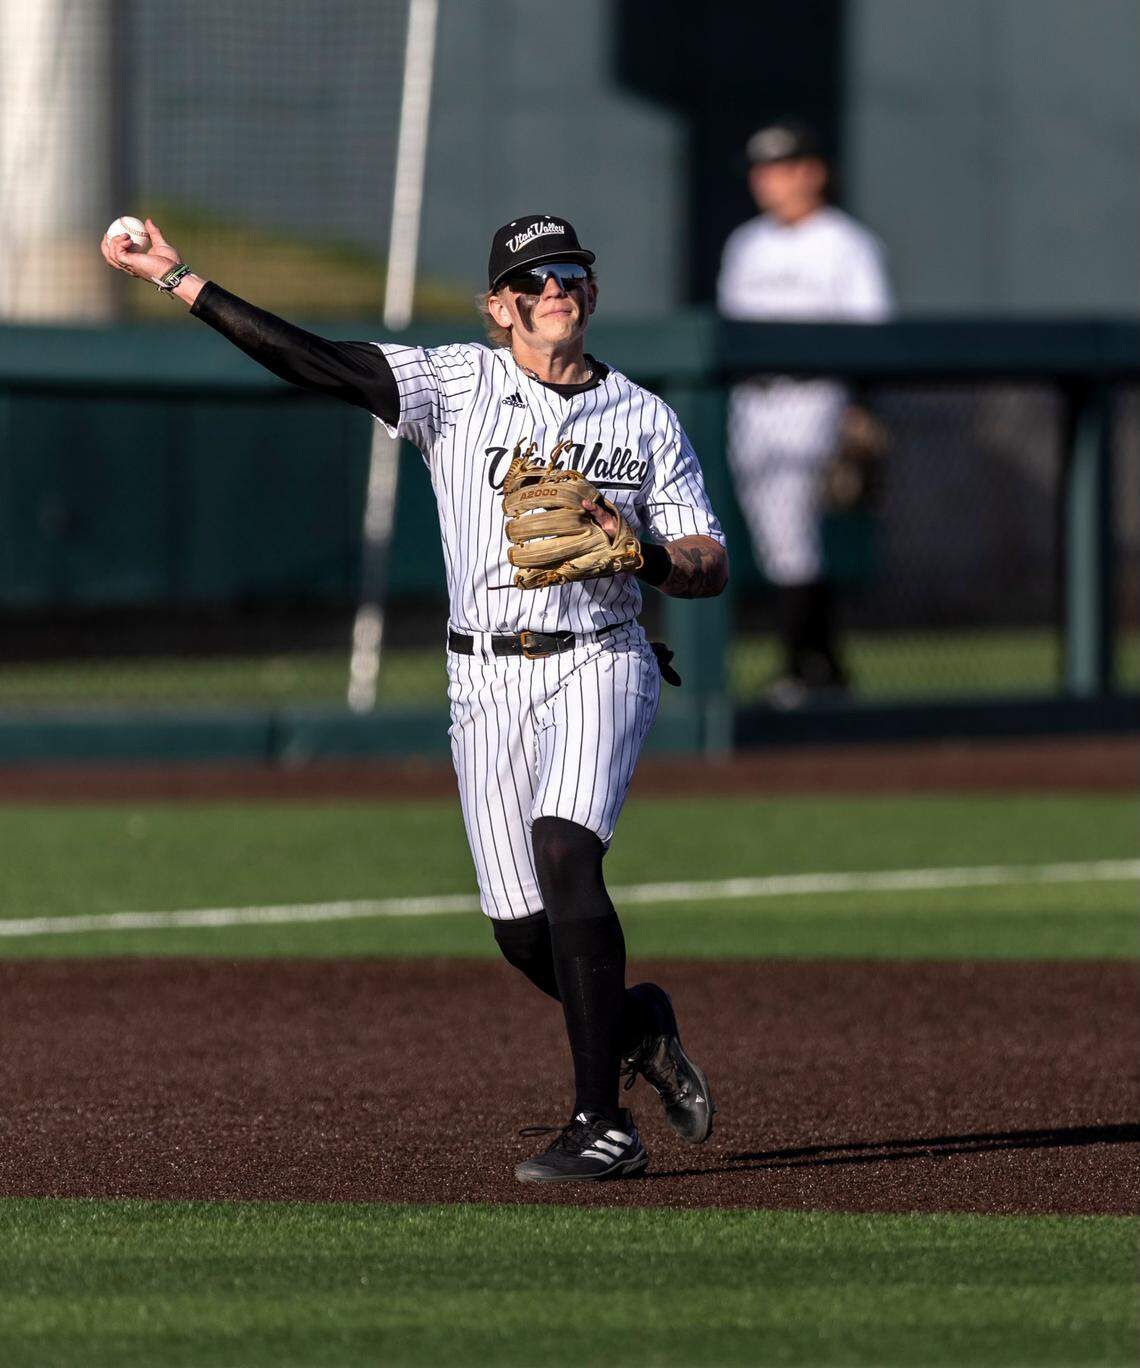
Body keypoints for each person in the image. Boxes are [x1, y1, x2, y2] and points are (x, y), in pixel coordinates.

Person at [101, 212, 728, 1185]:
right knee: (524, 934)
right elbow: (317, 363)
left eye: (571, 274)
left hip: (602, 656)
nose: (556, 288)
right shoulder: (457, 384)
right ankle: (639, 1023)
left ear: (592, 296)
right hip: (483, 674)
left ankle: (601, 1121)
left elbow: (707, 561)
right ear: (498, 307)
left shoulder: (645, 418)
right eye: (534, 279)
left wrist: (641, 552)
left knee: (567, 851)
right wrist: (178, 277)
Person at [717, 119, 892, 707]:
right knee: (776, 539)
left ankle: (802, 666)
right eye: (762, 170)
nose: (769, 181)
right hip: (754, 402)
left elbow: (872, 333)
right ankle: (825, 667)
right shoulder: (747, 244)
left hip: (815, 397)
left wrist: (860, 409)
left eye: (782, 168)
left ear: (812, 172)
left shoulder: (846, 243)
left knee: (793, 535)